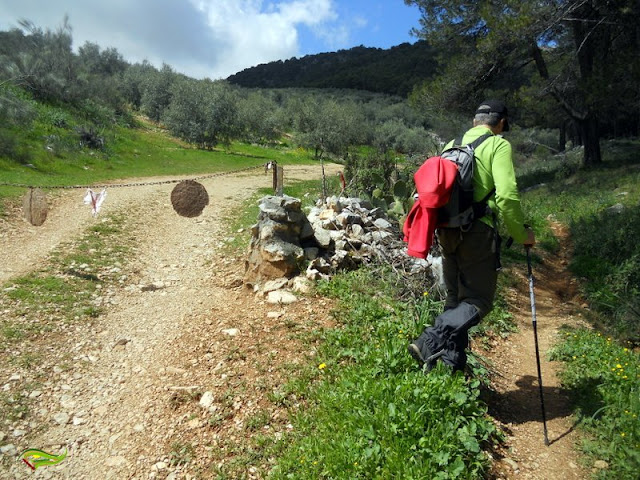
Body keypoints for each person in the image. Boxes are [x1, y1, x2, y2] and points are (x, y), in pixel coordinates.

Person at [408, 99, 536, 372]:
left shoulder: (450, 147)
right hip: (478, 233)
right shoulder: (498, 145)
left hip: (447, 232)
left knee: (455, 302)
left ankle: (452, 368)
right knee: (479, 301)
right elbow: (507, 196)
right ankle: (432, 337)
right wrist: (521, 233)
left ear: (474, 122)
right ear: (501, 123)